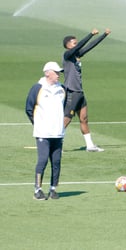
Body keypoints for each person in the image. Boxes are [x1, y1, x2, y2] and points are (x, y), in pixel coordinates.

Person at [62, 28, 111, 152]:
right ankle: (56, 144)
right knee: (66, 119)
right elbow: (82, 45)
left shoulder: (77, 55)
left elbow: (90, 46)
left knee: (84, 119)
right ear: (68, 45)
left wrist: (104, 35)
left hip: (79, 92)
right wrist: (90, 34)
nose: (76, 45)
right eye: (74, 43)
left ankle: (89, 146)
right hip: (72, 91)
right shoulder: (67, 55)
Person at [25, 62, 66, 200]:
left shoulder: (62, 89)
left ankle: (53, 189)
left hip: (58, 133)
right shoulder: (37, 88)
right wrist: (38, 125)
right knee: (42, 160)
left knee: (56, 162)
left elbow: (63, 107)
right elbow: (29, 108)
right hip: (43, 133)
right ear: (47, 73)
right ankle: (38, 189)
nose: (59, 75)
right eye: (56, 72)